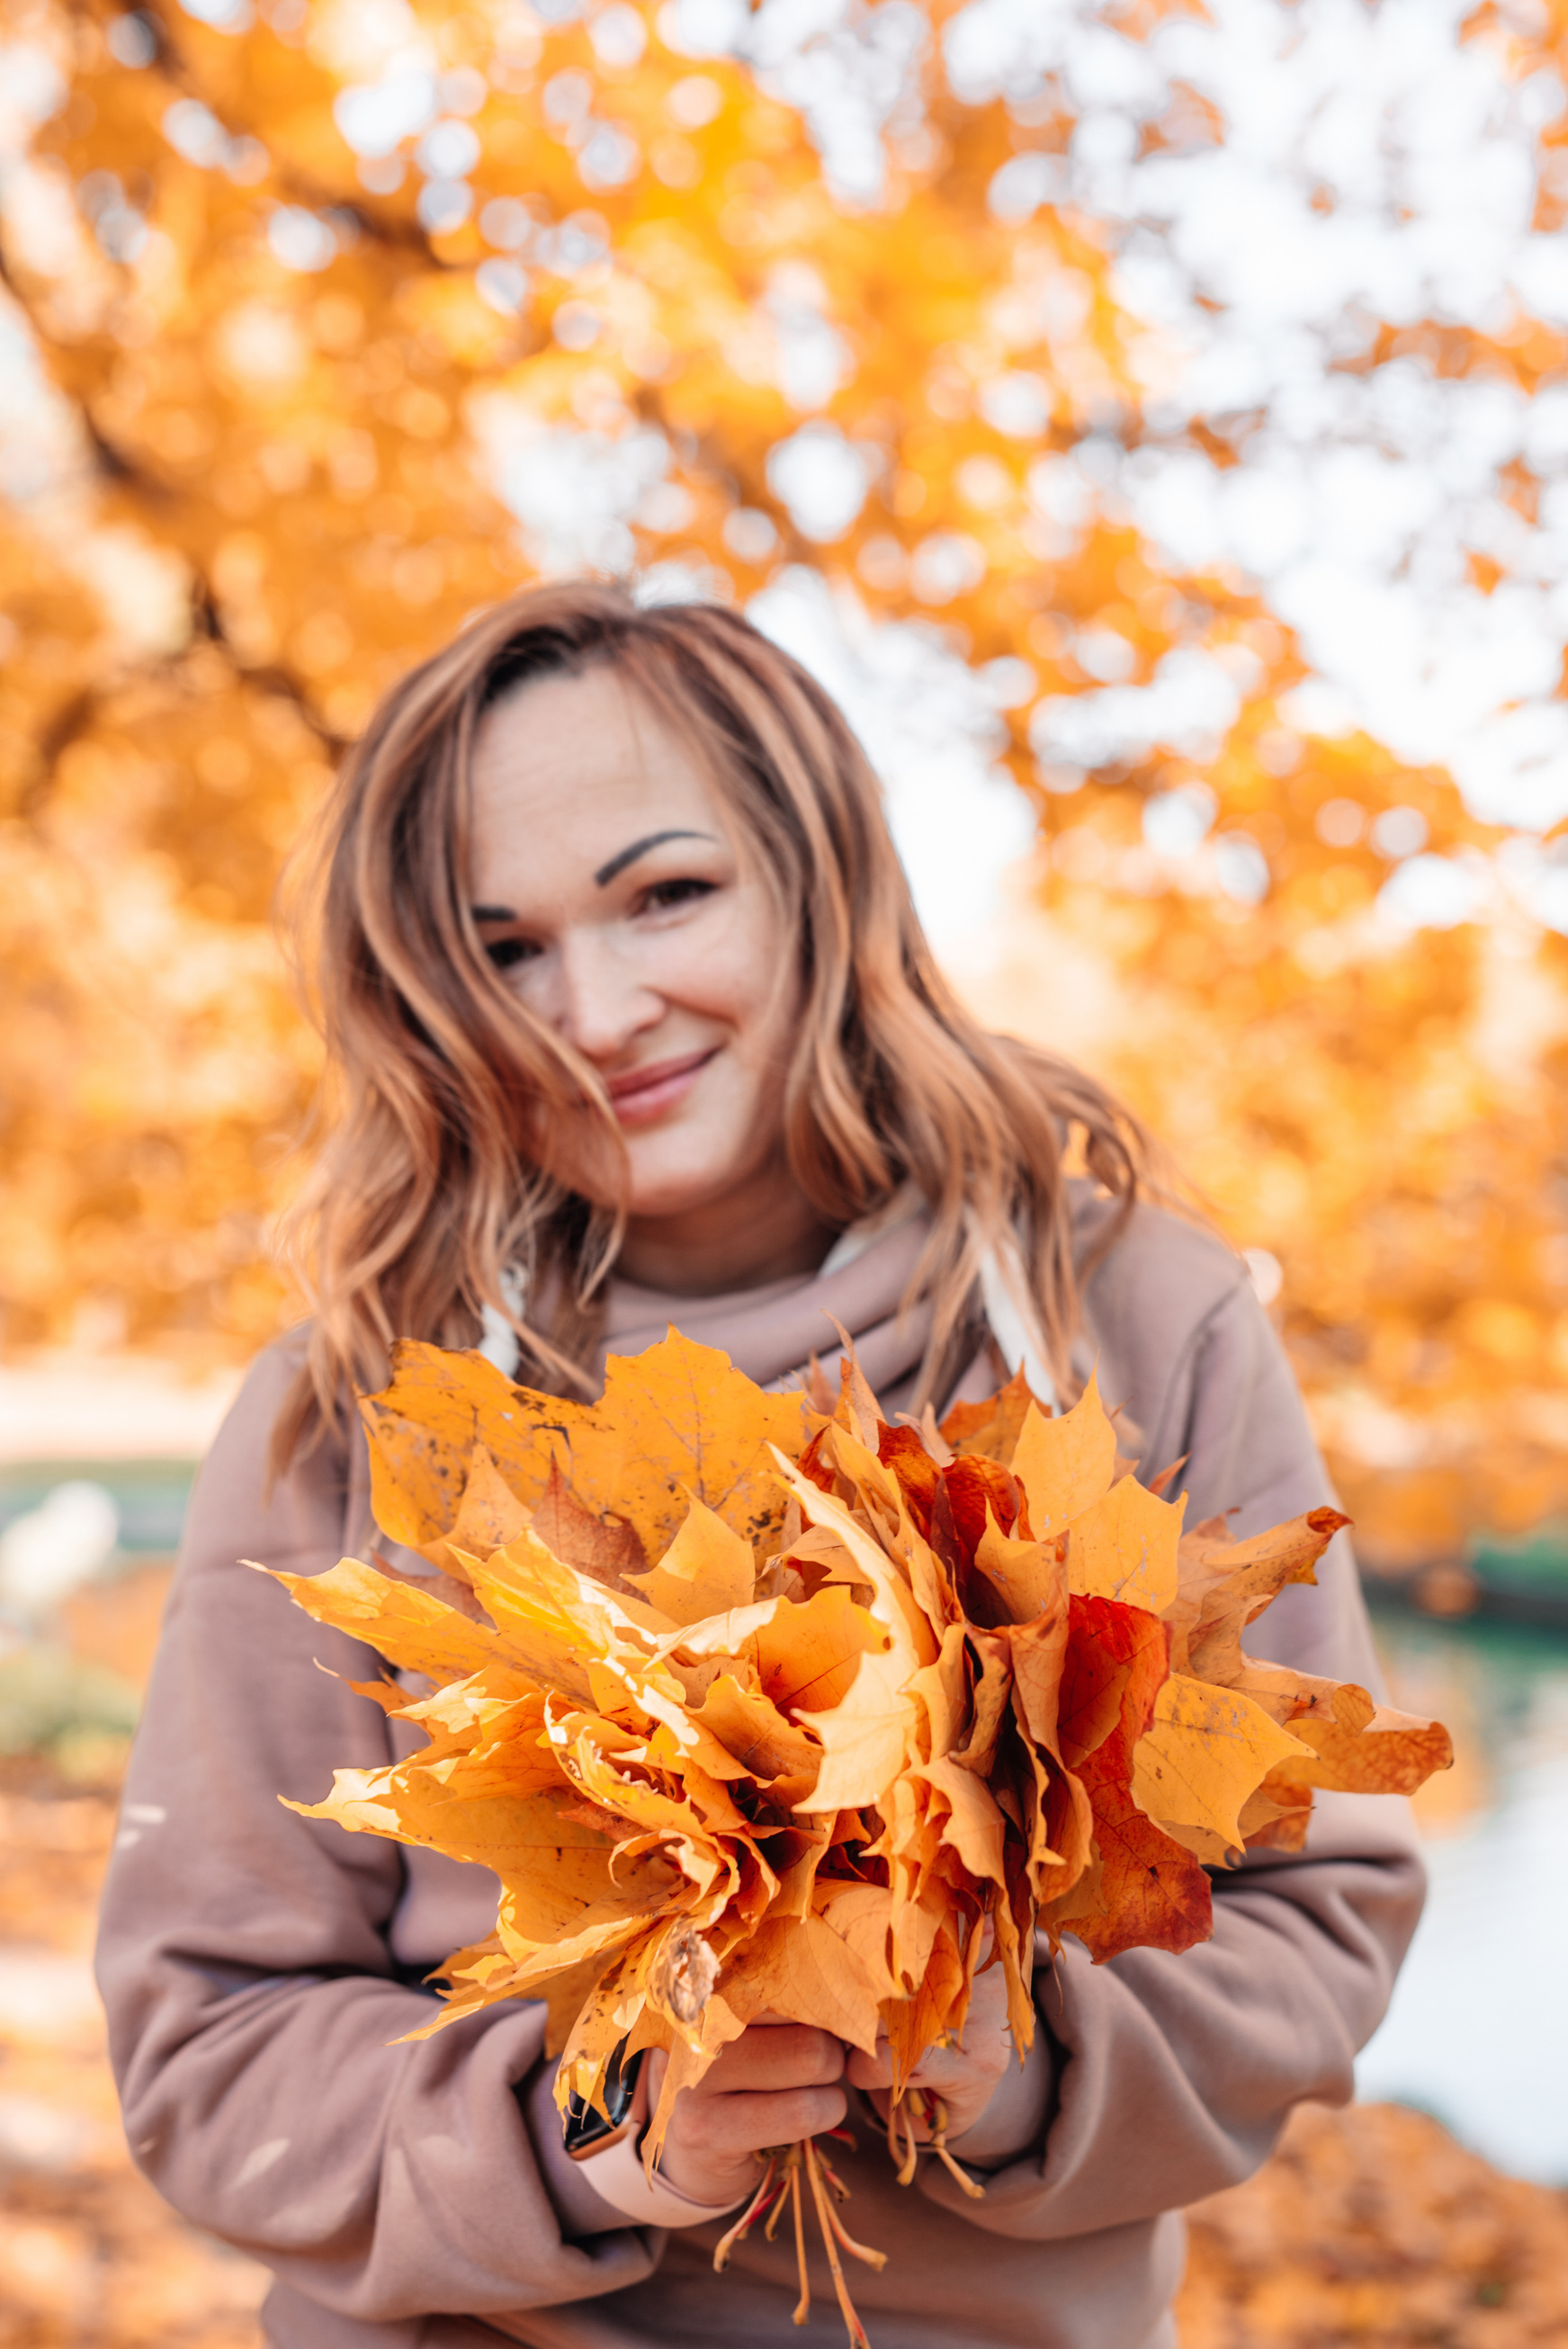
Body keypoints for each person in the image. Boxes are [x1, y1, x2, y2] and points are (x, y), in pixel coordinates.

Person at [97, 582, 1422, 2349]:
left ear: (816, 874)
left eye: (665, 894)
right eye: (505, 949)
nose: (599, 1006)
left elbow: (1314, 1907)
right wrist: (596, 2131)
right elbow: (212, 2038)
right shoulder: (344, 1413)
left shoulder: (1128, 1314)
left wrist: (1009, 2062)